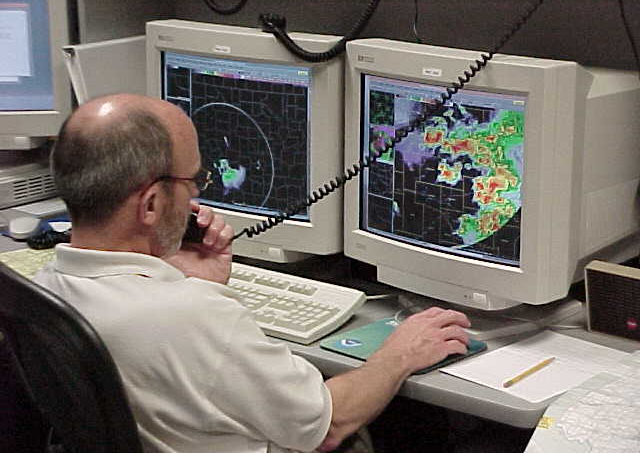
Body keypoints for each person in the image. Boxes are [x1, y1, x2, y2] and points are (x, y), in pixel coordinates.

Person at [35, 93, 471, 453]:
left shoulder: (46, 289)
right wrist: (401, 353)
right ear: (150, 205)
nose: (195, 198)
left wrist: (193, 284)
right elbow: (329, 425)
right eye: (193, 180)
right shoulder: (185, 315)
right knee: (418, 416)